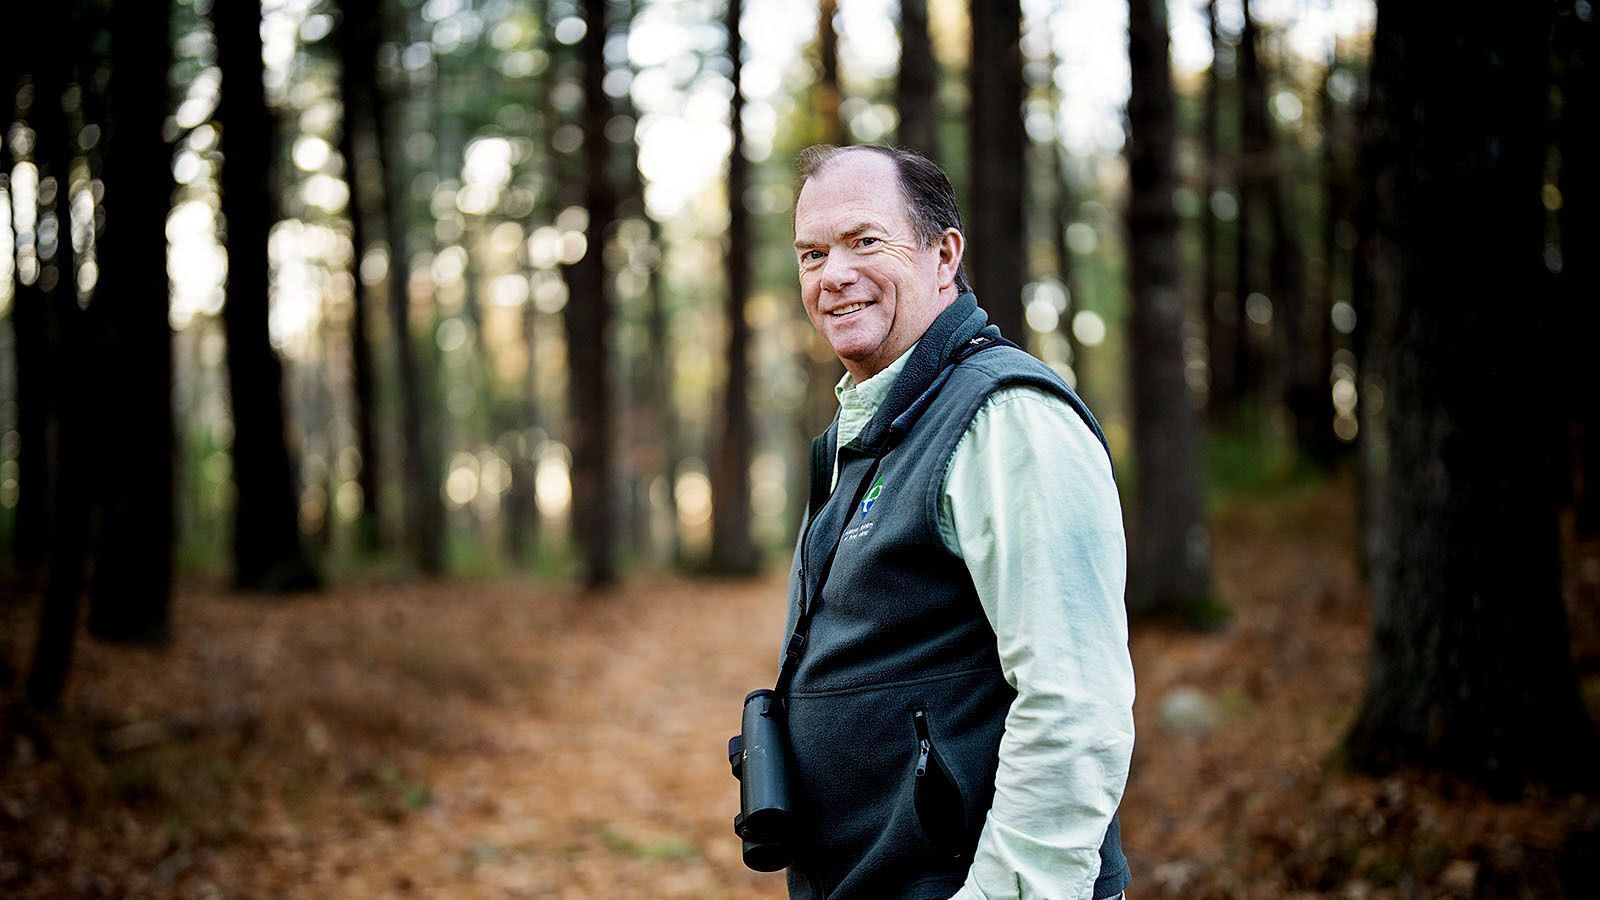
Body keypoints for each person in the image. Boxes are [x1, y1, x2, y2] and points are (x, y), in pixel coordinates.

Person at [773, 144, 1134, 900]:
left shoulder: (1006, 418)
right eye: (812, 253)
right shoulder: (879, 429)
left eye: (864, 240)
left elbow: (1074, 708)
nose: (832, 274)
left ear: (944, 256)